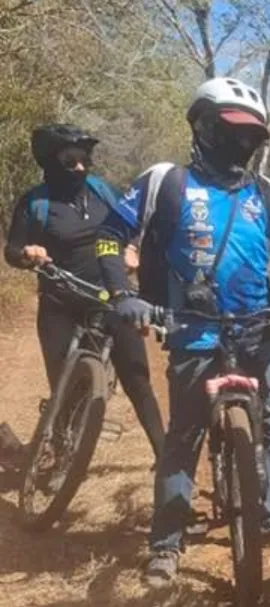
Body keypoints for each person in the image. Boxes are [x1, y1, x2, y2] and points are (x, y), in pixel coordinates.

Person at [93, 77, 270, 588]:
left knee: (269, 425)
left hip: (256, 328)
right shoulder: (166, 182)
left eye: (252, 137)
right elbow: (112, 237)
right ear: (203, 128)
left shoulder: (264, 194)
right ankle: (166, 544)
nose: (243, 145)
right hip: (192, 330)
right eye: (233, 133)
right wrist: (123, 298)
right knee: (185, 434)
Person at [3, 123, 166, 463]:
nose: (79, 168)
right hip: (60, 303)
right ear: (50, 162)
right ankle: (62, 456)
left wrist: (132, 249)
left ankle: (166, 461)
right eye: (70, 161)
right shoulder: (35, 202)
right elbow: (12, 249)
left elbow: (132, 226)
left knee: (138, 380)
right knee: (65, 385)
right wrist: (27, 253)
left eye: (84, 160)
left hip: (111, 296)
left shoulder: (102, 191)